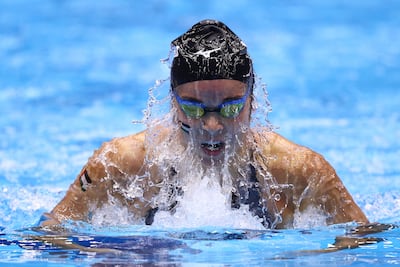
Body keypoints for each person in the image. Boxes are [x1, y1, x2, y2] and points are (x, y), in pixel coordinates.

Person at [41, 19, 369, 229]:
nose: (212, 125)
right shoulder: (117, 164)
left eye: (229, 109)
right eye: (194, 109)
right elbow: (52, 232)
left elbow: (364, 243)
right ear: (173, 103)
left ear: (252, 102)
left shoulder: (301, 172)